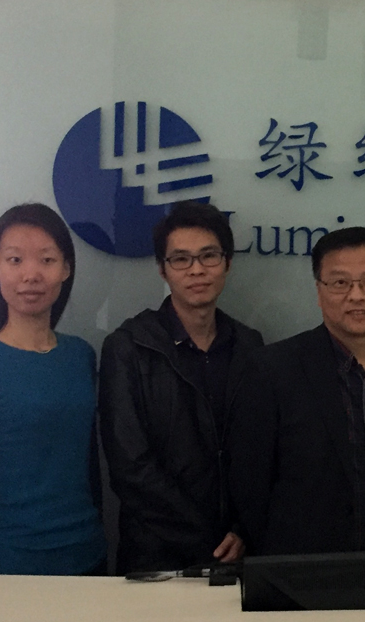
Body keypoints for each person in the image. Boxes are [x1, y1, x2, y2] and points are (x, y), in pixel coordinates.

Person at [229, 227, 365, 555]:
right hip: (307, 574)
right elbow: (250, 485)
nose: (357, 295)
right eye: (340, 282)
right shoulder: (272, 371)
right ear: (319, 290)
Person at [99, 200, 263, 574]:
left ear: (227, 263)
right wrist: (208, 539)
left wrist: (242, 529)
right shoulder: (129, 347)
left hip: (238, 554)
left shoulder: (250, 346)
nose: (197, 270)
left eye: (208, 256)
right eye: (181, 259)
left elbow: (261, 450)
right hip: (155, 557)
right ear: (162, 269)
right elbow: (130, 468)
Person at [0, 203, 106, 575]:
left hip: (88, 560)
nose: (31, 275)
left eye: (47, 260)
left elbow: (88, 470)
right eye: (15, 260)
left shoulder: (80, 356)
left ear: (66, 268)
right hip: (8, 569)